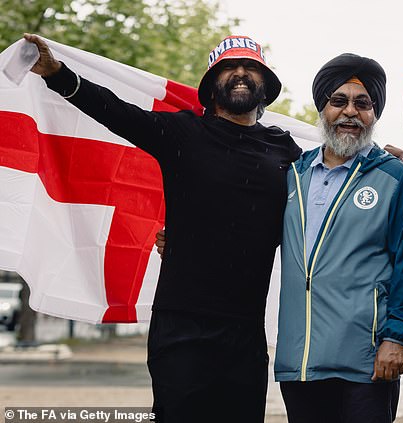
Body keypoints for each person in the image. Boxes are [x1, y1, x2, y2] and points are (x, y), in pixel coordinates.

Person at [24, 33, 302, 422]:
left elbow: (330, 185)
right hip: (182, 322)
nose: (240, 74)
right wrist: (57, 74)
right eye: (229, 68)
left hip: (246, 330)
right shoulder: (183, 132)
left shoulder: (287, 151)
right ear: (211, 85)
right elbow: (114, 110)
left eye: (250, 68)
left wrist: (372, 161)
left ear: (265, 86)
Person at [274, 53, 403, 423]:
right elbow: (245, 231)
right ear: (322, 108)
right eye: (339, 101)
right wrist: (181, 240)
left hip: (366, 361)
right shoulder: (292, 174)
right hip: (300, 361)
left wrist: (396, 337)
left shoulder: (395, 178)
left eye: (363, 103)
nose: (350, 112)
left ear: (374, 114)